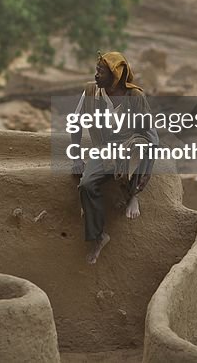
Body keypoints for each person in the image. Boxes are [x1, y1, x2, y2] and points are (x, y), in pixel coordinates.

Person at [72, 51, 159, 264]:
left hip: (129, 145)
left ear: (116, 75)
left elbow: (150, 134)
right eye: (96, 71)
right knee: (86, 185)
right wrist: (75, 156)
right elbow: (76, 123)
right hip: (103, 149)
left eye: (101, 72)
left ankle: (132, 195)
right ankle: (98, 236)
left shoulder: (135, 97)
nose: (96, 75)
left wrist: (143, 165)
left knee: (142, 148)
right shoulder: (91, 92)